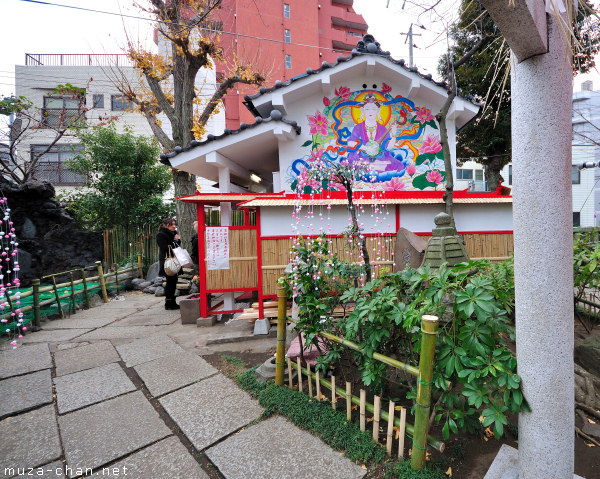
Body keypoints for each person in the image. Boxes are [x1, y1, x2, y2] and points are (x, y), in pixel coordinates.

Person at [346, 94, 407, 179]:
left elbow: (388, 148)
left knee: (399, 165)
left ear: (378, 110)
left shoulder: (382, 128)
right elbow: (350, 142)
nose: (370, 112)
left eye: (373, 109)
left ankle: (371, 168)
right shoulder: (358, 127)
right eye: (367, 109)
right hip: (363, 156)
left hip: (380, 157)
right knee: (348, 164)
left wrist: (393, 134)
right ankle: (373, 167)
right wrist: (366, 148)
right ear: (362, 110)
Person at [156, 217, 181, 310]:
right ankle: (169, 302)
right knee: (170, 281)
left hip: (174, 260)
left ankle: (172, 302)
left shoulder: (174, 233)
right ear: (166, 225)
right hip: (167, 261)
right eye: (172, 224)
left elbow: (177, 246)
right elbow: (165, 247)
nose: (174, 226)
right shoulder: (161, 235)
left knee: (174, 281)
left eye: (175, 224)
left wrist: (177, 241)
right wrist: (174, 241)